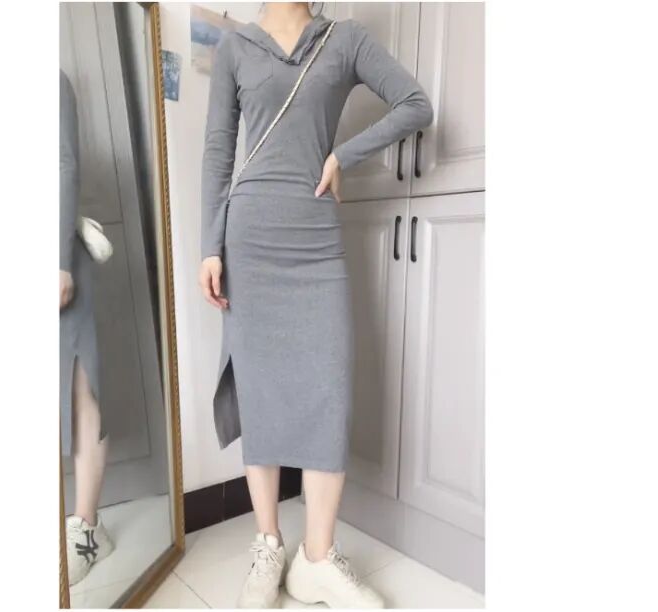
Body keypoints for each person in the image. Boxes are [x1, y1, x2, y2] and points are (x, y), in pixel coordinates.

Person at [199, 3, 433, 608]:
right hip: (250, 238)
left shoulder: (345, 39)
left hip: (315, 240)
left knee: (329, 391)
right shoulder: (235, 48)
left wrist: (341, 156)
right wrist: (209, 247)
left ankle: (318, 558)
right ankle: (268, 544)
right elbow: (218, 153)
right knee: (260, 391)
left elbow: (415, 104)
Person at [60, 69, 113, 586]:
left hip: (56, 262)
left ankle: (87, 528)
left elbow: (63, 165)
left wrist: (58, 262)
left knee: (79, 388)